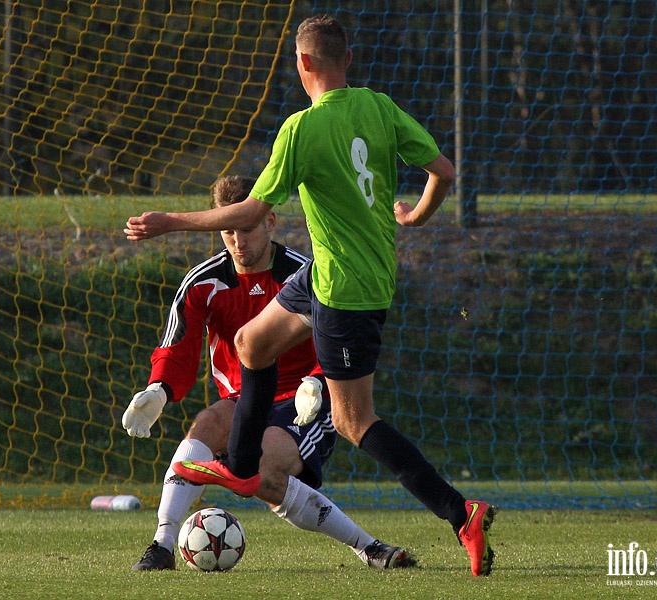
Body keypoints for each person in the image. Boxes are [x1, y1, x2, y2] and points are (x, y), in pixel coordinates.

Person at [124, 16, 496, 576]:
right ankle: (245, 466)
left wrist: (169, 221)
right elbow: (442, 171)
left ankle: (458, 511)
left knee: (355, 421)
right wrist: (413, 215)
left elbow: (251, 211)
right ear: (347, 59)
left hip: (345, 292)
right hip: (332, 275)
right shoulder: (379, 107)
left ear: (303, 65)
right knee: (251, 343)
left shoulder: (301, 128)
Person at [122, 175, 415, 572]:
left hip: (304, 405)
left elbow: (334, 337)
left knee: (266, 475)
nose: (238, 243)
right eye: (227, 233)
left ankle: (369, 547)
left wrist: (316, 380)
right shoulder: (202, 283)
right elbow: (178, 346)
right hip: (241, 401)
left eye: (246, 229)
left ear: (270, 222)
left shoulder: (305, 275)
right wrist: (158, 390)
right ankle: (161, 546)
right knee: (204, 426)